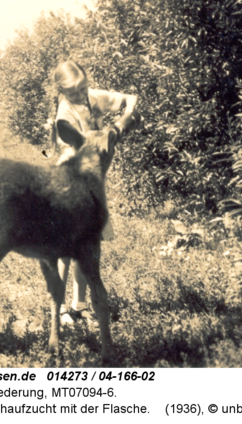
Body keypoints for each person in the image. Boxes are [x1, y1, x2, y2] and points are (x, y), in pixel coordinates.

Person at [48, 60, 138, 326]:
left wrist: (128, 112)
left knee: (87, 246)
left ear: (87, 81)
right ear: (60, 90)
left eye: (82, 88)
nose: (79, 95)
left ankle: (80, 305)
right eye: (72, 92)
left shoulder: (95, 96)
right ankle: (59, 309)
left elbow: (129, 99)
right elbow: (78, 147)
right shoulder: (64, 114)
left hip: (94, 179)